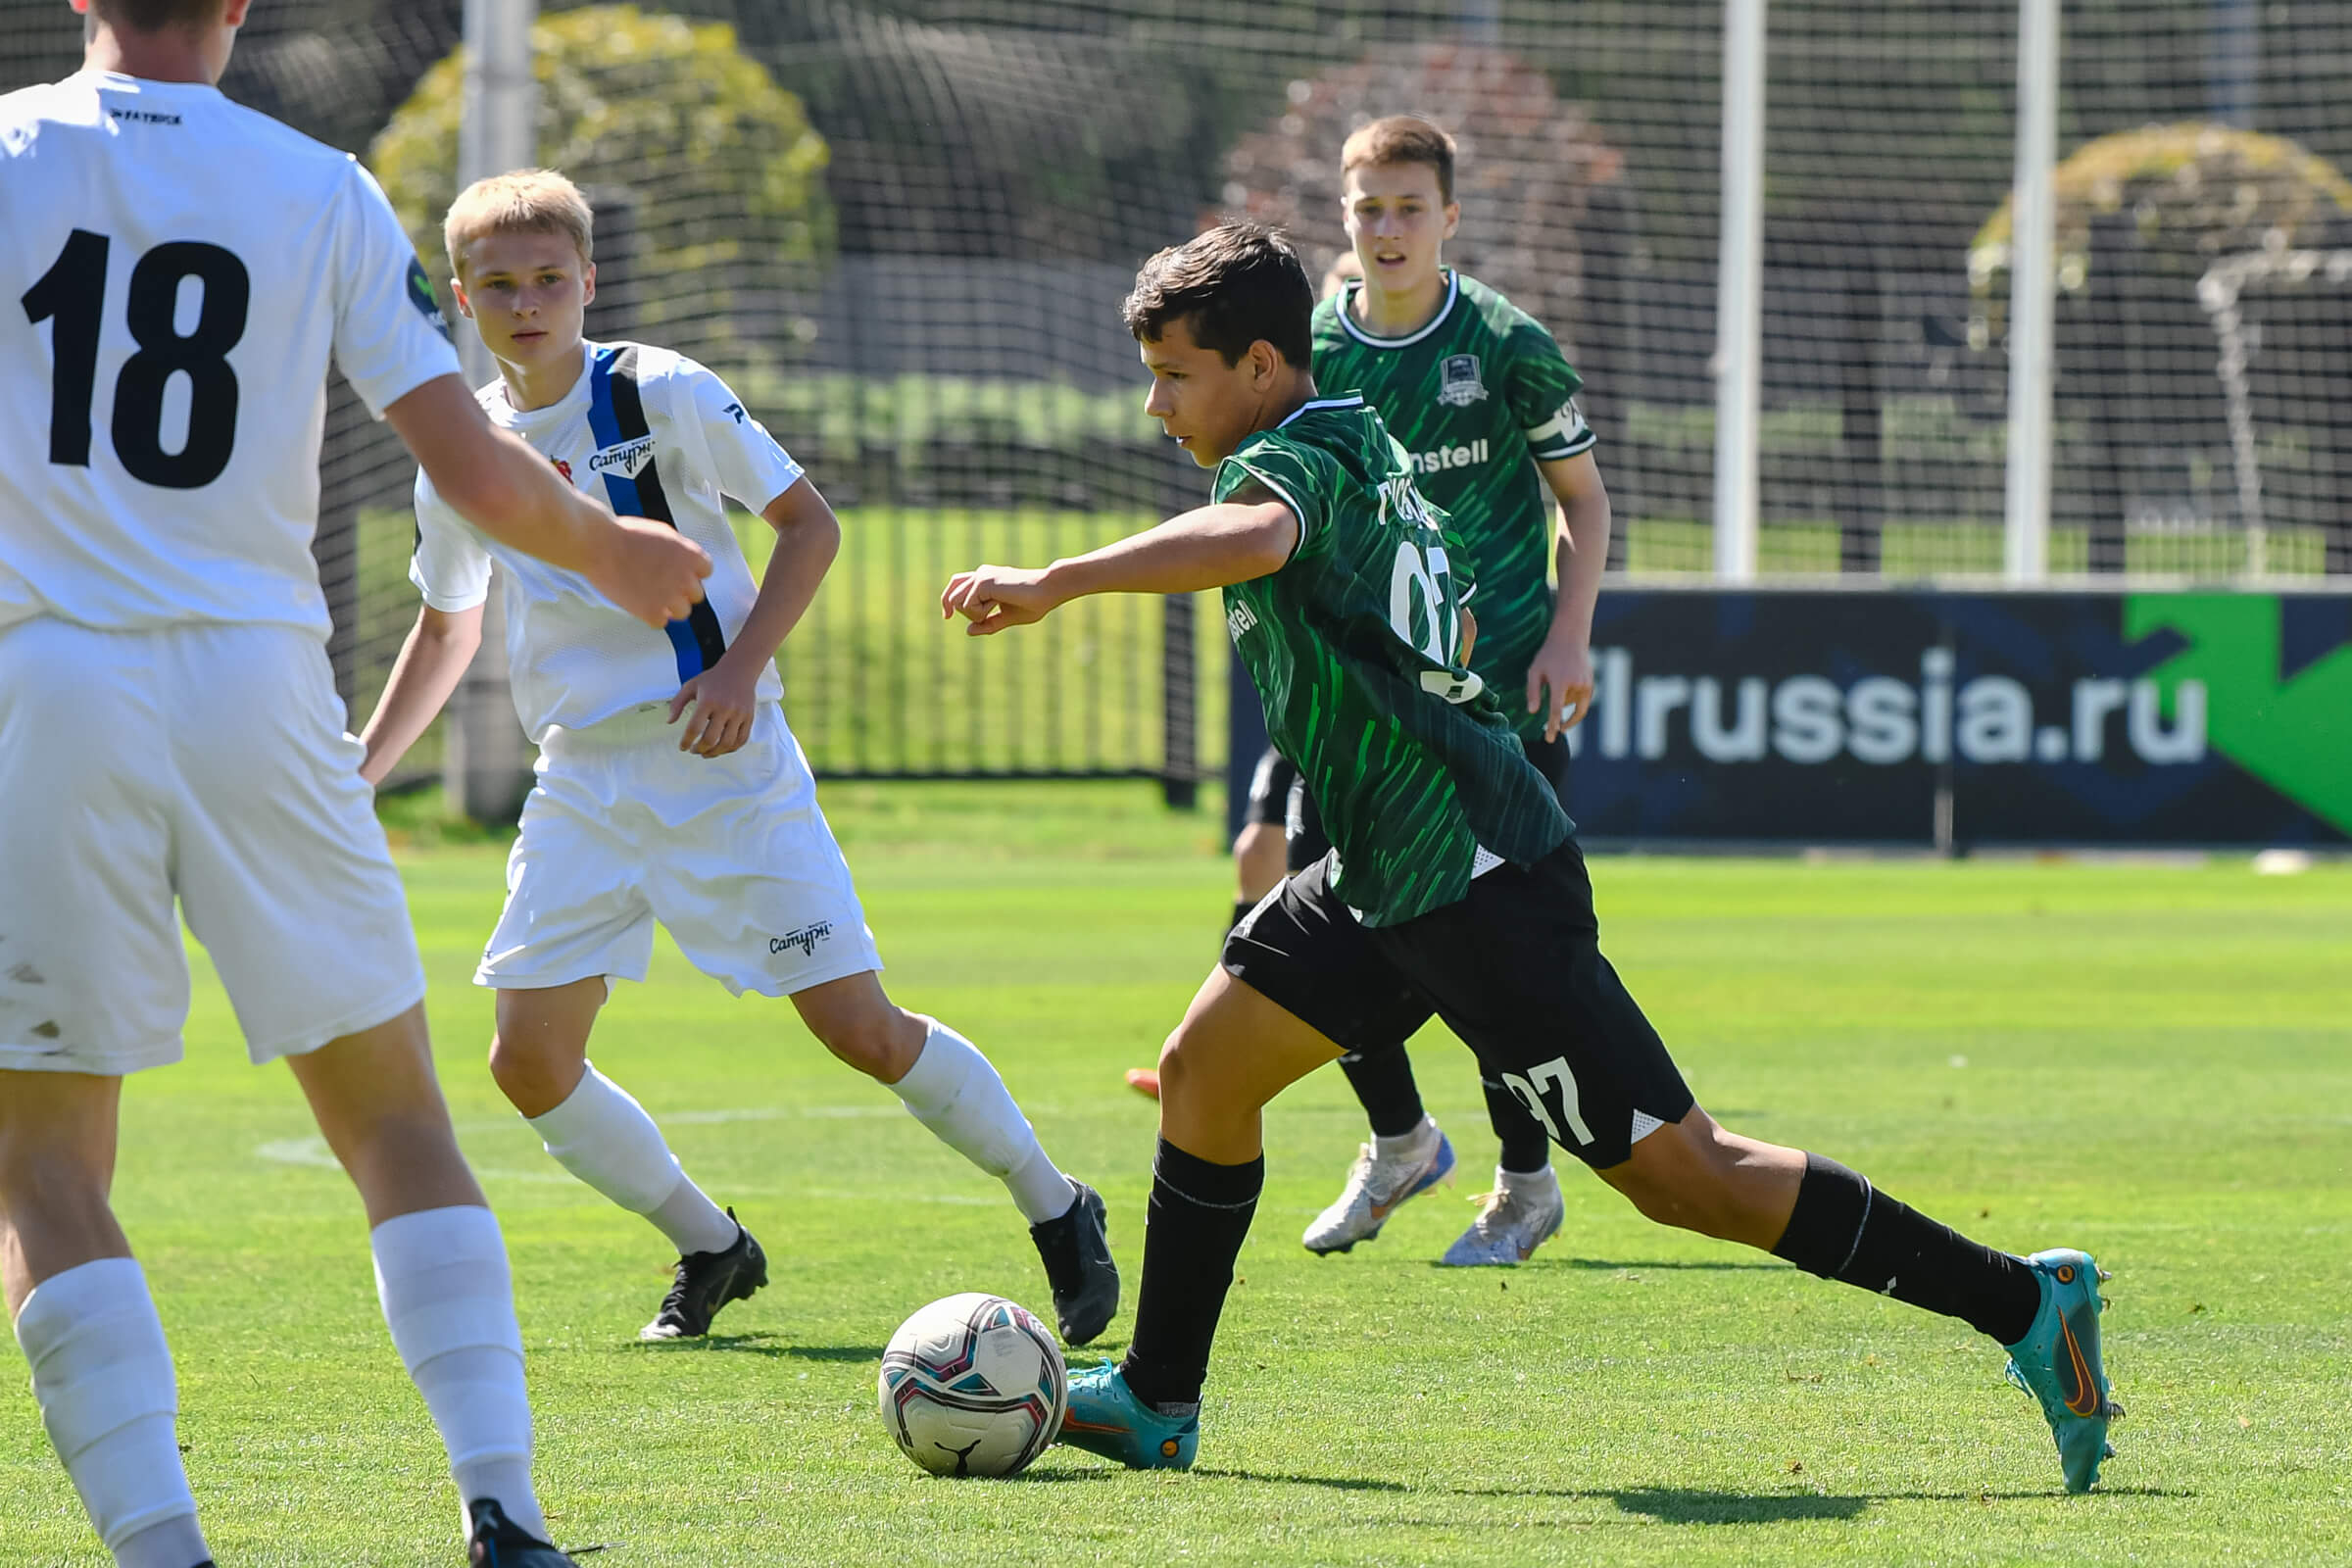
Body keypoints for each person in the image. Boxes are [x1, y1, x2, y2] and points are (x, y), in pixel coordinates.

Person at [941, 221, 2121, 1493]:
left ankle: (2026, 1304)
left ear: (1266, 365)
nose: (1157, 405)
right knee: (1204, 1074)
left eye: (1177, 374)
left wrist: (1056, 579)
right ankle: (1162, 1401)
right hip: (1390, 872)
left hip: (1476, 877)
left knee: (1688, 1177)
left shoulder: (1299, 456)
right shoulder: (1348, 431)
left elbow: (1257, 540)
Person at [0, 5, 711, 1565]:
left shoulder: (1, 152)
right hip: (258, 682)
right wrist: (618, 548)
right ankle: (508, 1517)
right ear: (240, 4)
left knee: (44, 1162)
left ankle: (162, 1546)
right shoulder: (320, 185)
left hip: (45, 683)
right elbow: (468, 467)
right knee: (395, 1121)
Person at [357, 170, 1118, 1350]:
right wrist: (363, 772)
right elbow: (448, 627)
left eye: (550, 278)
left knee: (861, 1031)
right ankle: (713, 1242)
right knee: (527, 1062)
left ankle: (1058, 1205)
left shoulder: (659, 388)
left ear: (588, 281)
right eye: (498, 285)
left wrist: (735, 672)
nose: (526, 302)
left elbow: (810, 525)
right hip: (582, 781)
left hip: (722, 762)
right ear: (462, 297)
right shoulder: (463, 448)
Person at [1132, 119, 1610, 1271]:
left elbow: (1582, 500)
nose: (1387, 229)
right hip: (1359, 692)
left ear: (1449, 215)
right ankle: (1399, 1138)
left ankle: (1524, 1177)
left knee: (1481, 943)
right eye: (1367, 209)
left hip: (1482, 699)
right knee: (1289, 878)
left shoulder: (1505, 344)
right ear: (1342, 217)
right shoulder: (1308, 361)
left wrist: (1568, 633)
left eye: (1409, 207)